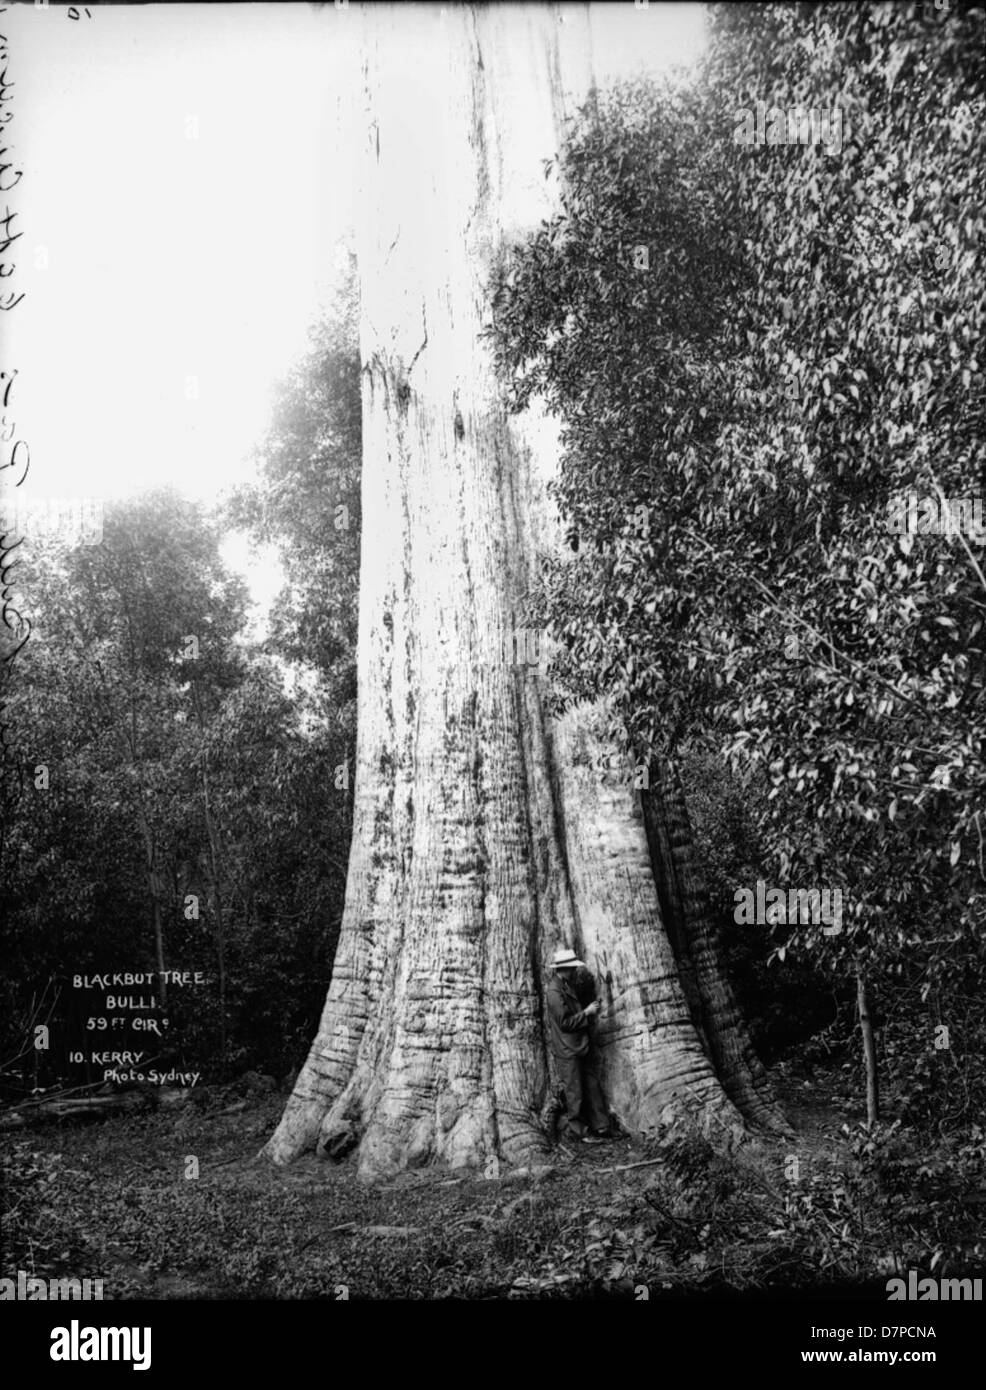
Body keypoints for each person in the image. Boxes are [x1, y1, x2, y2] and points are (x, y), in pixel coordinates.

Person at [545, 946, 611, 1143]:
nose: (575, 971)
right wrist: (587, 1013)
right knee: (575, 1092)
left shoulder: (566, 985)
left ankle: (603, 1127)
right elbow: (565, 1023)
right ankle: (580, 1132)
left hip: (579, 1046)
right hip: (567, 1050)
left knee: (591, 1084)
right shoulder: (554, 991)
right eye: (572, 968)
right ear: (564, 968)